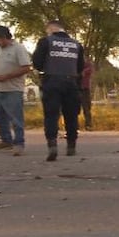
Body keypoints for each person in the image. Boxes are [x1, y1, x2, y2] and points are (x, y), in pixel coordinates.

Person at [31, 20, 85, 161]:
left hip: (52, 81)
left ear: (50, 29)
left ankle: (52, 145)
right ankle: (71, 146)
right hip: (72, 82)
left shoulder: (46, 41)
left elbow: (36, 62)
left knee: (51, 115)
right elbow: (80, 67)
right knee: (71, 115)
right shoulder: (76, 44)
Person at [0, 26, 32, 156]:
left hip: (13, 89)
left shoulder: (19, 48)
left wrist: (7, 76)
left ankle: (19, 143)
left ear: (3, 37)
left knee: (15, 118)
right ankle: (6, 140)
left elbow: (26, 68)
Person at [80, 56, 94, 131]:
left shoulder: (88, 65)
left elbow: (88, 70)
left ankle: (88, 125)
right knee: (73, 109)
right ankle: (73, 126)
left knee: (87, 109)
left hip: (85, 89)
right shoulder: (75, 64)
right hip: (76, 88)